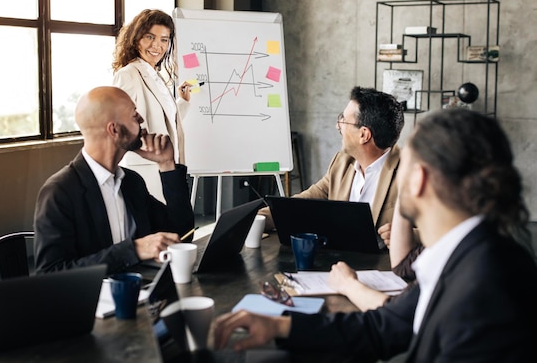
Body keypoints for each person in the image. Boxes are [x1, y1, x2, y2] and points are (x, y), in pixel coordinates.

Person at [214, 109, 537, 361]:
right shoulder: (465, 254)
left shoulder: (487, 283)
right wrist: (278, 325)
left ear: (419, 179)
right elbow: (387, 325)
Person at [34, 86, 195, 275]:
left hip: (141, 295)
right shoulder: (59, 192)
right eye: (135, 115)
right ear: (114, 129)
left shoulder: (131, 182)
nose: (142, 120)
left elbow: (182, 233)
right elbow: (50, 274)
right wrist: (133, 250)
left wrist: (167, 165)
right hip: (92, 301)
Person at [259, 86, 405, 249]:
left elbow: (437, 230)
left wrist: (408, 234)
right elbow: (304, 202)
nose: (338, 126)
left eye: (343, 120)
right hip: (337, 262)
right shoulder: (342, 162)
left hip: (382, 268)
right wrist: (259, 219)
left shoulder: (411, 171)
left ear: (363, 135)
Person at [111, 9, 191, 202]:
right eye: (150, 37)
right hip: (145, 169)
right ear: (136, 38)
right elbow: (123, 125)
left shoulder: (156, 75)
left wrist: (182, 102)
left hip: (166, 167)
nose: (157, 45)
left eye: (164, 39)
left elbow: (164, 121)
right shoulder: (128, 74)